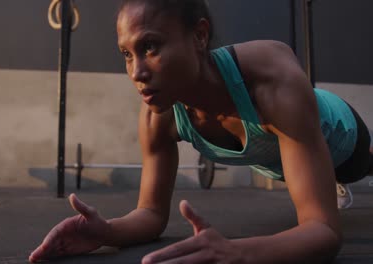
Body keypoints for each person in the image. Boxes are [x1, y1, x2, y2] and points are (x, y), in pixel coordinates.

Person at [29, 0, 372, 263]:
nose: (137, 72)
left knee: (363, 167)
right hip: (281, 160)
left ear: (200, 35)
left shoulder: (271, 83)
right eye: (127, 54)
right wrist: (107, 231)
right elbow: (150, 214)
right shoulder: (158, 114)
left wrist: (237, 253)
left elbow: (324, 232)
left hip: (343, 140)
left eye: (150, 47)